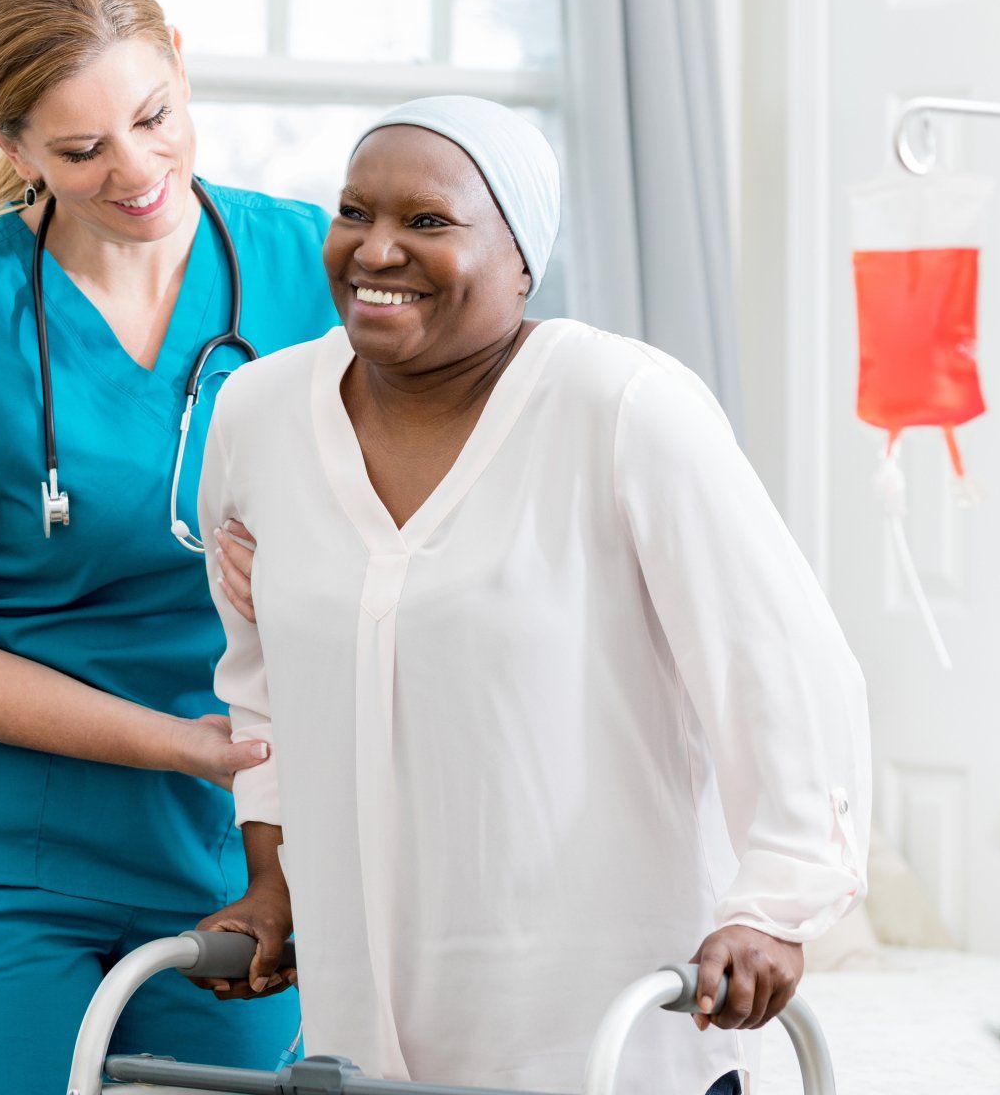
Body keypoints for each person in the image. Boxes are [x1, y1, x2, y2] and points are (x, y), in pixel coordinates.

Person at [192, 96, 872, 1095]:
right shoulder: (259, 414)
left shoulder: (624, 407)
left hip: (604, 1028)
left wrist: (775, 904)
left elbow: (781, 667)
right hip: (363, 1026)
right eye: (355, 213)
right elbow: (262, 684)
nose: (377, 250)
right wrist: (273, 880)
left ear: (522, 257)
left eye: (427, 221)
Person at [0, 0, 334, 1095]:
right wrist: (183, 742)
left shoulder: (315, 268)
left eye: (155, 117)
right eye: (83, 151)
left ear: (182, 67)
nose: (138, 170)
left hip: (243, 855)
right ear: (12, 147)